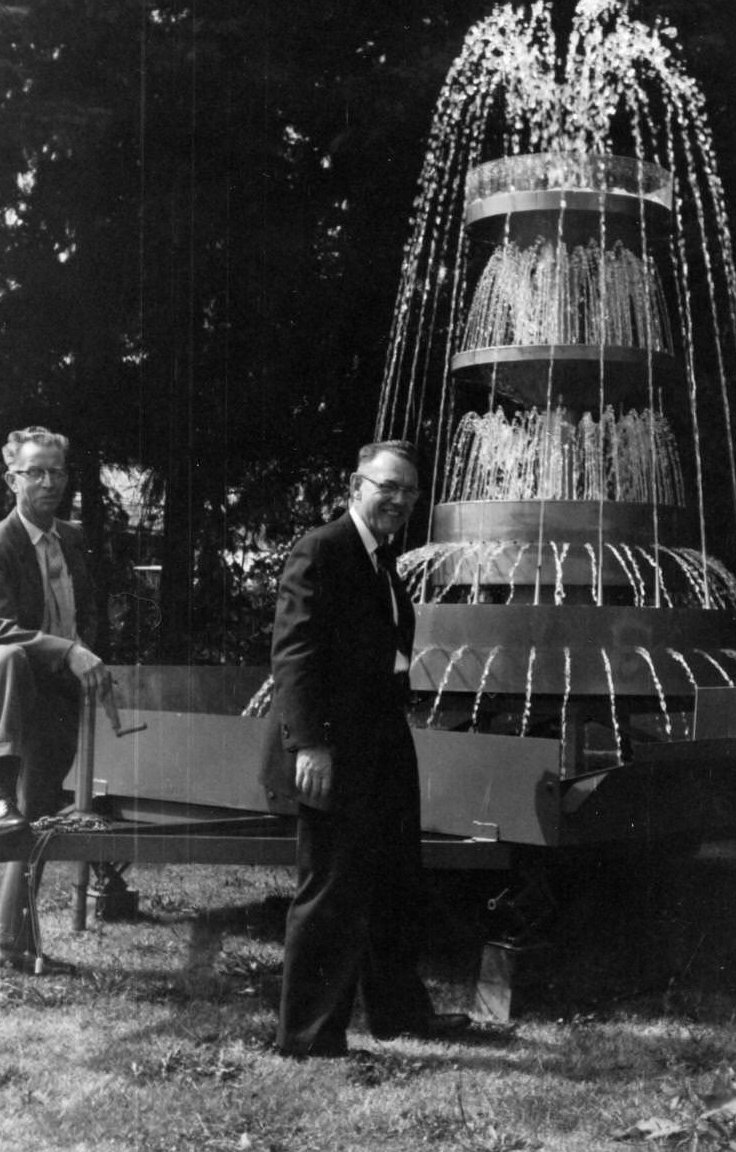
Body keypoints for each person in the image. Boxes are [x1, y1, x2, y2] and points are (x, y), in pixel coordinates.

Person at [262, 440, 470, 1058]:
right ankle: (306, 1036)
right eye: (388, 487)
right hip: (332, 748)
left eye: (408, 490)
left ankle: (400, 1014)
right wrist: (310, 747)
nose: (400, 500)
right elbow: (294, 653)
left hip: (381, 742)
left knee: (396, 882)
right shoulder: (322, 549)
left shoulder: (382, 561)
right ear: (357, 486)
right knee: (330, 889)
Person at [0, 426, 117, 971]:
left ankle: (11, 945)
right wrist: (67, 650)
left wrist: (87, 655)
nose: (48, 482)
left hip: (60, 697)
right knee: (10, 656)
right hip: (9, 696)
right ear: (11, 478)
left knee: (36, 819)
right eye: (35, 472)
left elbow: (86, 614)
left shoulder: (73, 538)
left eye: (57, 472)